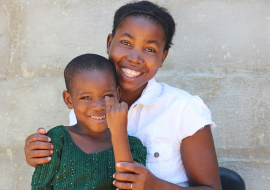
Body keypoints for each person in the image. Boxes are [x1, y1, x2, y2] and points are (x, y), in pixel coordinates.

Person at [25, 1, 222, 190]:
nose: (135, 57)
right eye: (126, 42)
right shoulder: (90, 104)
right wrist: (42, 152)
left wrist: (156, 186)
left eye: (150, 49)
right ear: (109, 43)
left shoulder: (184, 110)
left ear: (163, 57)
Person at [31, 54, 147, 189]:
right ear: (68, 99)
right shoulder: (58, 140)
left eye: (107, 96)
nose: (98, 106)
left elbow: (130, 186)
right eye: (86, 97)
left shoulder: (133, 146)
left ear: (118, 95)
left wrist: (119, 133)